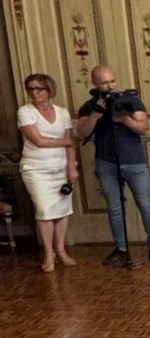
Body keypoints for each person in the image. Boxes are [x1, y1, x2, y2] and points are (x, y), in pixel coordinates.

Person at [75, 64, 150, 267]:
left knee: (145, 205)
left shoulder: (130, 100)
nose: (110, 86)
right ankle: (121, 249)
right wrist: (96, 115)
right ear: (94, 84)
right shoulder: (89, 106)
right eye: (104, 83)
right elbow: (82, 133)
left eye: (112, 81)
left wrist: (125, 119)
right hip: (106, 162)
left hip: (134, 162)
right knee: (114, 207)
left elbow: (144, 128)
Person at [17, 73, 78, 273]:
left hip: (60, 168)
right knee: (44, 210)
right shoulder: (25, 112)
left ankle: (61, 250)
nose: (34, 93)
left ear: (49, 90)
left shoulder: (62, 113)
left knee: (62, 210)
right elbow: (38, 141)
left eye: (38, 89)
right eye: (30, 89)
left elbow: (71, 144)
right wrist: (66, 141)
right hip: (37, 169)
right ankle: (48, 253)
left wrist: (71, 167)